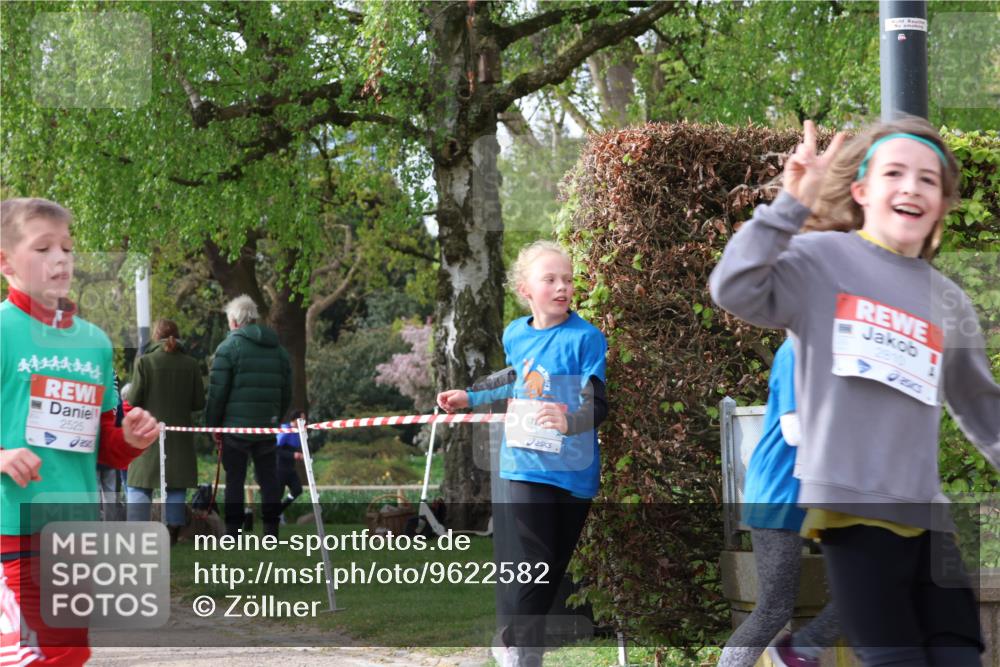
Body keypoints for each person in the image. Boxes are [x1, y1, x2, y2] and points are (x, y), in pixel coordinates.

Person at [710, 117, 1000, 666]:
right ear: (862, 191)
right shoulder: (822, 261)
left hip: (930, 519)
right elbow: (734, 287)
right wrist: (789, 205)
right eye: (894, 173)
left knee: (962, 653)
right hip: (854, 514)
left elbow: (985, 411)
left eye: (928, 180)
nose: (911, 187)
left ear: (940, 205)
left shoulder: (948, 301)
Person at [0, 197, 160, 666]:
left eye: (67, 248)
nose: (60, 259)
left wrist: (131, 438)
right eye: (43, 247)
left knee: (69, 654)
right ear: (5, 261)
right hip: (13, 529)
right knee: (41, 656)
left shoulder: (93, 342)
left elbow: (105, 444)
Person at [437, 240, 608, 667]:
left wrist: (571, 420)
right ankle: (526, 657)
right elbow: (515, 376)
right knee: (538, 564)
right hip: (524, 465)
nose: (562, 287)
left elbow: (598, 403)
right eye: (549, 279)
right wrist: (471, 396)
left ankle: (511, 636)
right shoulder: (514, 332)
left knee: (552, 570)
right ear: (525, 288)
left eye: (567, 279)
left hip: (573, 471)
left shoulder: (586, 338)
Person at [720, 339, 839, 667]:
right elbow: (794, 430)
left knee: (863, 589)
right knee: (773, 609)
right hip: (777, 492)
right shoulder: (796, 348)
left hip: (821, 497)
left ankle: (798, 653)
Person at [205, 294, 291, 538]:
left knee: (235, 480)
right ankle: (271, 531)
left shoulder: (228, 348)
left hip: (235, 428)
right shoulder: (279, 350)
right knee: (269, 480)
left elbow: (217, 393)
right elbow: (287, 391)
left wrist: (213, 425)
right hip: (267, 426)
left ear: (233, 321)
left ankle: (232, 531)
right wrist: (275, 416)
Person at [125, 319, 205, 545]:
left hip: (147, 432)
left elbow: (133, 400)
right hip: (179, 436)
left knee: (139, 481)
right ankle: (172, 532)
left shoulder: (145, 362)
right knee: (176, 484)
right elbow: (198, 401)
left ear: (155, 336)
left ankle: (137, 531)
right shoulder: (191, 364)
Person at [276, 409, 306, 521]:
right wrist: (293, 455)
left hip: (290, 468)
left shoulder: (299, 431)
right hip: (279, 468)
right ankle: (273, 518)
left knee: (297, 490)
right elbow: (276, 450)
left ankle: (280, 509)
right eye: (302, 419)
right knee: (277, 495)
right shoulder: (285, 430)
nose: (305, 421)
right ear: (295, 419)